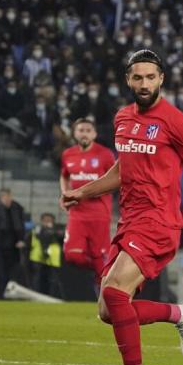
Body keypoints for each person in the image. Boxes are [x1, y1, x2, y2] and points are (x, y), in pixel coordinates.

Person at [61, 49, 183, 365]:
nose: (144, 84)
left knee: (115, 293)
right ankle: (181, 314)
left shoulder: (174, 120)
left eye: (150, 77)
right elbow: (121, 170)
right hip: (129, 221)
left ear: (161, 79)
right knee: (107, 310)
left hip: (159, 222)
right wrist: (82, 193)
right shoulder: (122, 118)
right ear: (128, 80)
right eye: (137, 77)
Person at [60, 118, 116, 288]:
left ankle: (105, 301)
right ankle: (105, 267)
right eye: (81, 130)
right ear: (75, 133)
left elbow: (115, 179)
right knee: (72, 255)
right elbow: (64, 175)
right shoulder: (68, 154)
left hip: (99, 213)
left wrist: (95, 191)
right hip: (77, 213)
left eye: (88, 130)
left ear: (94, 134)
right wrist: (64, 193)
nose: (84, 133)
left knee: (100, 263)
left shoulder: (105, 154)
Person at [0, 189, 26, 300]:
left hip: (13, 247)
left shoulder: (17, 209)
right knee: (1, 272)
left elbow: (21, 226)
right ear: (1, 198)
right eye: (5, 197)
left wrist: (21, 239)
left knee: (10, 272)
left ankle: (1, 293)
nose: (8, 200)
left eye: (9, 197)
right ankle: (0, 294)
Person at [28, 212, 62, 297]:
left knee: (52, 280)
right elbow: (41, 235)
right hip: (38, 258)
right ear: (42, 221)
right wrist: (51, 231)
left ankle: (50, 297)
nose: (47, 222)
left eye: (49, 220)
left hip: (52, 259)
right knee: (38, 279)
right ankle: (36, 296)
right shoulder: (37, 229)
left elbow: (61, 236)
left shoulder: (56, 230)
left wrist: (52, 231)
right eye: (45, 220)